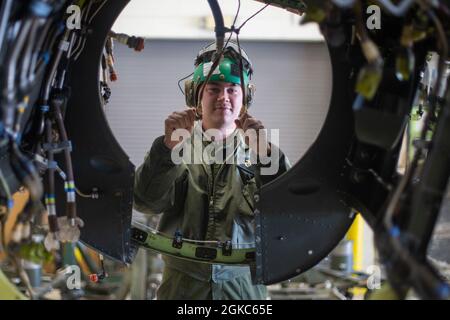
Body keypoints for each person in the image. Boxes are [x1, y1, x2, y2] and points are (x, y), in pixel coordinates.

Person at [134, 41, 290, 300]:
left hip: (243, 291)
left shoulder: (261, 152)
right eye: (213, 89)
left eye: (232, 89)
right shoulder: (175, 145)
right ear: (195, 95)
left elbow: (287, 212)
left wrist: (267, 155)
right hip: (182, 291)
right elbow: (145, 201)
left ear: (246, 98)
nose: (223, 98)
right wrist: (166, 148)